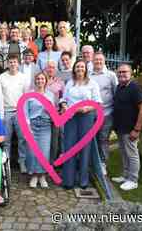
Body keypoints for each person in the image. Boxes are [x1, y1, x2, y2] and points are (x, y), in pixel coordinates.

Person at [60, 60, 102, 189]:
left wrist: (87, 108)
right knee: (69, 147)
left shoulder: (92, 84)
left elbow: (97, 102)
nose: (80, 69)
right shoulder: (69, 83)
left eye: (82, 66)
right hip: (71, 118)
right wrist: (64, 105)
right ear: (74, 69)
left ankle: (83, 181)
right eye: (77, 66)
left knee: (85, 148)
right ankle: (68, 181)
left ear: (86, 69)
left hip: (86, 117)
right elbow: (64, 99)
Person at [112, 63, 142, 191]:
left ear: (130, 73)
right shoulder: (119, 87)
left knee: (132, 154)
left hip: (130, 129)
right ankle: (125, 175)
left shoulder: (135, 88)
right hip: (120, 128)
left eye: (124, 72)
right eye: (120, 72)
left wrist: (137, 129)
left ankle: (133, 180)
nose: (121, 74)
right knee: (124, 153)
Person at [0, 54, 29, 173]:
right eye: (10, 62)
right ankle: (7, 163)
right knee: (6, 140)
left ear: (18, 63)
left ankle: (22, 162)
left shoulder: (23, 77)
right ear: (7, 63)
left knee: (22, 139)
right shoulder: (2, 77)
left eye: (15, 62)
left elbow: (26, 96)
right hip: (6, 111)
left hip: (20, 111)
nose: (12, 64)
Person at [89, 52, 118, 175]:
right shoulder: (88, 75)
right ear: (92, 61)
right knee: (92, 139)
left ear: (104, 61)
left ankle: (102, 163)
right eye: (96, 60)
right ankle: (92, 162)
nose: (98, 62)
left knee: (103, 139)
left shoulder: (110, 75)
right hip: (91, 113)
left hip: (106, 113)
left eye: (100, 60)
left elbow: (116, 93)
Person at [25, 73, 55, 188]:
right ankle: (33, 176)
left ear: (45, 81)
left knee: (44, 152)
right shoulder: (29, 94)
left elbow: (53, 112)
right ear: (35, 81)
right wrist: (27, 126)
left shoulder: (50, 95)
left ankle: (42, 175)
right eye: (38, 79)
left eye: (42, 78)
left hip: (45, 125)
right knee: (32, 152)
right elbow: (25, 111)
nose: (40, 81)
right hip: (32, 124)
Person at [44, 60, 65, 163]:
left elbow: (63, 98)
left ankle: (52, 161)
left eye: (52, 67)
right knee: (44, 139)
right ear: (45, 68)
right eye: (48, 67)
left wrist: (61, 111)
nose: (50, 69)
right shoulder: (41, 80)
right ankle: (43, 160)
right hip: (42, 115)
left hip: (55, 114)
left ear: (56, 69)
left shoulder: (60, 82)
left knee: (54, 139)